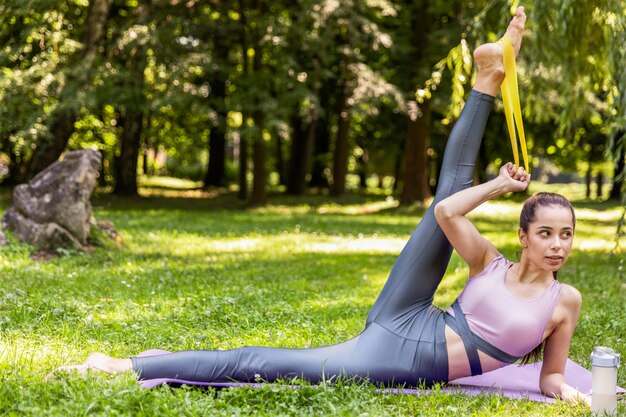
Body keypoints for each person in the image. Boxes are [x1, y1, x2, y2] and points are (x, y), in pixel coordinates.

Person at [53, 7, 589, 406]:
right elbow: (448, 212)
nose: (558, 244)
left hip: (400, 359)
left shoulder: (564, 301)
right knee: (450, 190)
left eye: (566, 234)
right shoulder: (489, 263)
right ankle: (489, 77)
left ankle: (486, 77)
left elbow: (548, 379)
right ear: (524, 236)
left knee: (262, 363)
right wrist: (495, 186)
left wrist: (571, 395)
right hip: (409, 315)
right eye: (547, 233)